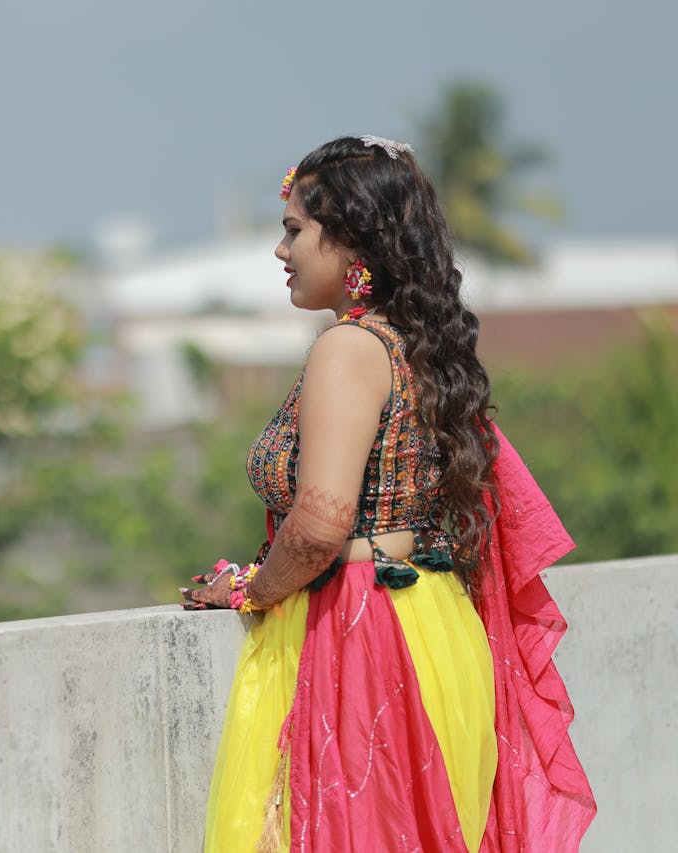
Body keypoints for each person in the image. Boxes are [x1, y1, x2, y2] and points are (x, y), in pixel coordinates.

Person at [180, 136, 595, 852]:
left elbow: (318, 525)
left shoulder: (349, 348)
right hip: (432, 622)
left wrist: (250, 588)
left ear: (353, 244)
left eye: (294, 230)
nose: (281, 252)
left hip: (364, 635)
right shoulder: (421, 347)